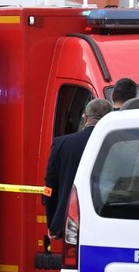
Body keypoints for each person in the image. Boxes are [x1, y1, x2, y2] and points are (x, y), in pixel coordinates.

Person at [44, 98, 113, 239]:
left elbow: (50, 188)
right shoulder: (117, 144)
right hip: (106, 222)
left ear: (85, 118)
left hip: (70, 223)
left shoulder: (62, 144)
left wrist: (53, 224)